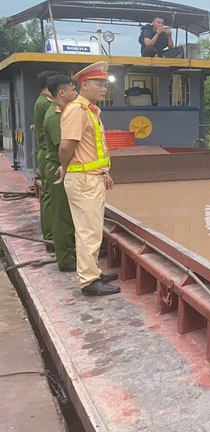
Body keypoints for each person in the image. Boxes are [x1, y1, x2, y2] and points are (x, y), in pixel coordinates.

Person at [56, 61, 120, 297]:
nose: (104, 88)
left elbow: (93, 148)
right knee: (87, 231)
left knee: (92, 228)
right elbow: (66, 147)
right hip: (83, 180)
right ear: (84, 85)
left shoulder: (91, 111)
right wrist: (67, 169)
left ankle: (92, 271)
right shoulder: (77, 110)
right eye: (99, 84)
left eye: (105, 84)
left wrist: (105, 173)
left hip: (92, 177)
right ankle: (89, 282)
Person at [42, 75, 78, 272]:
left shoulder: (61, 112)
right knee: (62, 215)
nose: (76, 93)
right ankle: (65, 259)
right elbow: (61, 147)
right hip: (58, 168)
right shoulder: (56, 116)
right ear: (62, 93)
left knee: (66, 213)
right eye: (73, 90)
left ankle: (69, 253)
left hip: (61, 167)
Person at [34, 70, 59, 252]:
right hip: (48, 153)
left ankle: (51, 235)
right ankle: (50, 237)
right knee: (50, 196)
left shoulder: (43, 102)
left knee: (48, 195)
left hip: (44, 151)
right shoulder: (46, 104)